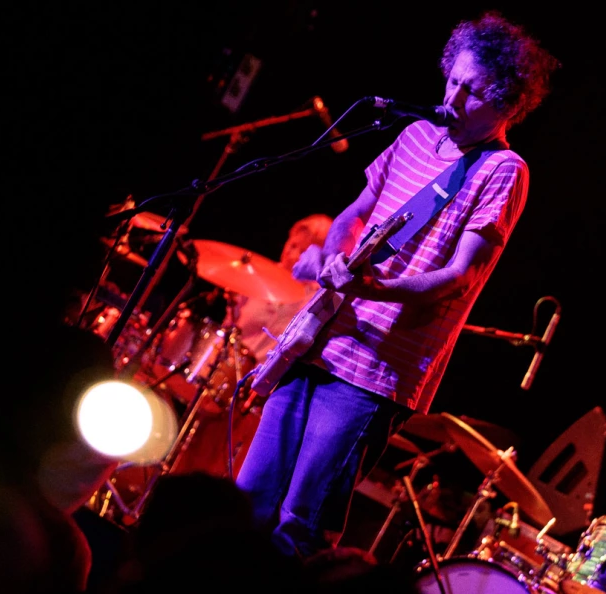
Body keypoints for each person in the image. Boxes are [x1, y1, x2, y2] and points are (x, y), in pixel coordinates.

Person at [235, 9, 561, 561]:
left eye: (473, 90)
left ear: (508, 102)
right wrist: (339, 256)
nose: (452, 98)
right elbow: (354, 212)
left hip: (375, 371)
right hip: (318, 338)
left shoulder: (504, 171)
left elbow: (459, 276)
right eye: (452, 79)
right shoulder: (414, 135)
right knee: (247, 503)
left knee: (300, 526)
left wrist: (367, 285)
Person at [232, 213, 334, 364]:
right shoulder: (256, 274)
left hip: (261, 379)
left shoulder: (316, 298)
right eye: (293, 245)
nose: (292, 254)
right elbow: (228, 324)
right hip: (228, 363)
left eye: (303, 251)